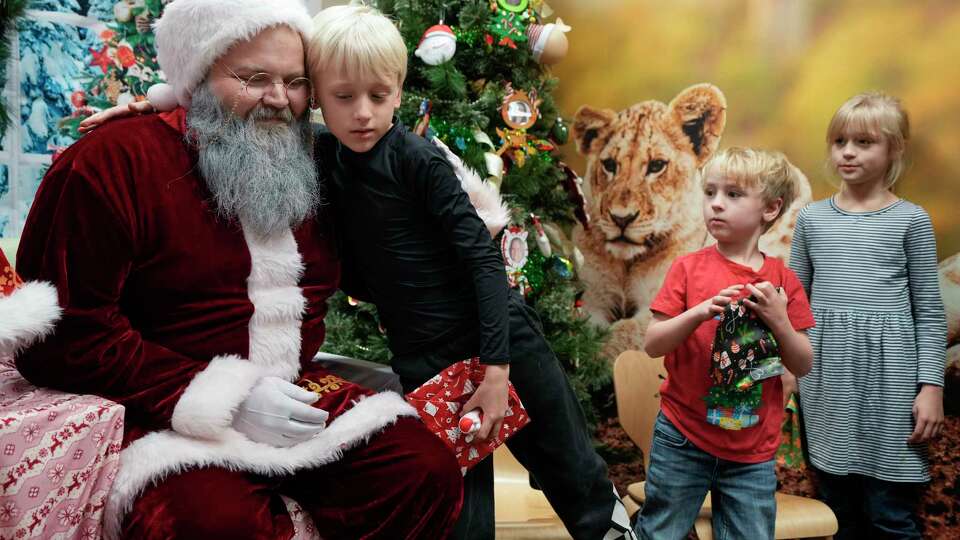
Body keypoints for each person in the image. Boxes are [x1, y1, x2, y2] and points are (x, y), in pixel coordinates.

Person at [78, 6, 635, 539]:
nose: (363, 113)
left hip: (496, 341)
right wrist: (154, 103)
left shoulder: (417, 160)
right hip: (426, 359)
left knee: (572, 472)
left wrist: (496, 370)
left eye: (379, 96)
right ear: (319, 97)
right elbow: (229, 112)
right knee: (464, 501)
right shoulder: (323, 149)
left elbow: (485, 262)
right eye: (342, 97)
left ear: (398, 89)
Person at [14, 1, 462, 539]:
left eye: (295, 82)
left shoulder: (318, 159)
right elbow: (63, 334)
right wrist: (212, 395)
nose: (278, 99)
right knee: (209, 522)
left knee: (420, 469)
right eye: (253, 78)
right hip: (160, 409)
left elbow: (393, 233)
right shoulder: (112, 162)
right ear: (199, 75)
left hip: (295, 391)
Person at [788, 92, 946, 539]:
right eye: (839, 141)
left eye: (863, 142)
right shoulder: (812, 219)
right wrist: (785, 372)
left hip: (890, 378)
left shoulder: (910, 220)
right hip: (827, 379)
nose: (848, 152)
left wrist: (930, 386)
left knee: (889, 512)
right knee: (839, 511)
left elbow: (929, 313)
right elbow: (795, 303)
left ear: (894, 148)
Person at [637, 147, 815, 540]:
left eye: (733, 195)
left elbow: (802, 364)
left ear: (770, 209)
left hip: (752, 450)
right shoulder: (687, 268)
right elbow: (652, 344)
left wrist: (779, 320)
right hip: (683, 436)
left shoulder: (782, 281)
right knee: (660, 532)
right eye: (710, 192)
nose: (716, 204)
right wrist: (696, 313)